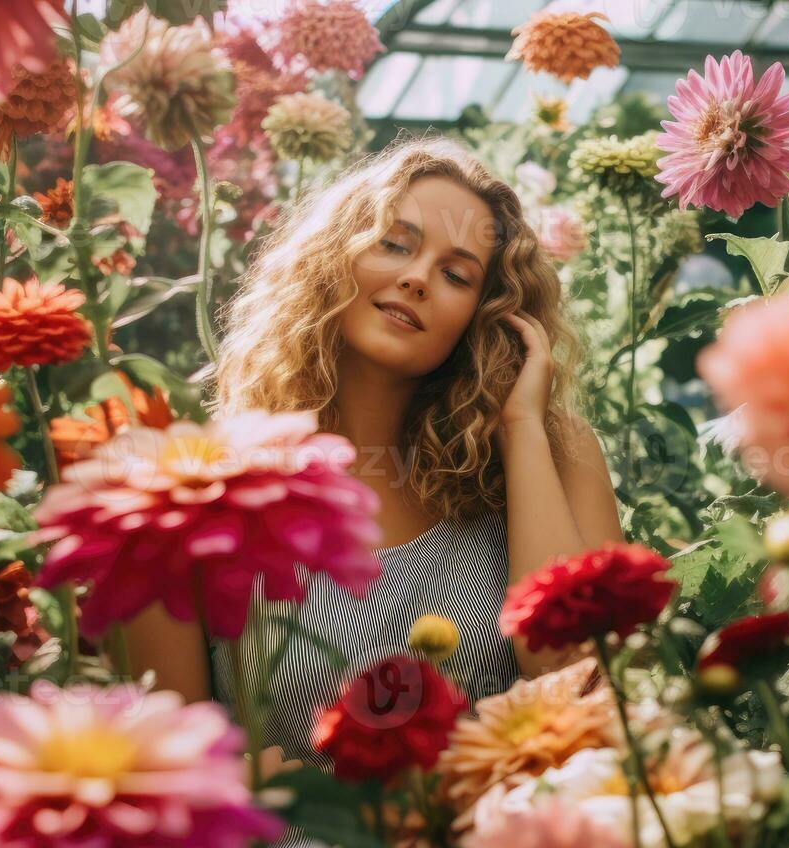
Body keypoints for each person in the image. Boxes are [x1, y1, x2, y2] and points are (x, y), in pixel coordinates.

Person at [126, 136, 623, 766]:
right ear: (333, 257)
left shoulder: (556, 456)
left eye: (456, 274)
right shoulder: (199, 488)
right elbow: (169, 768)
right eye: (395, 244)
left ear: (485, 316)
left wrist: (521, 427)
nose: (417, 279)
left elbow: (579, 682)